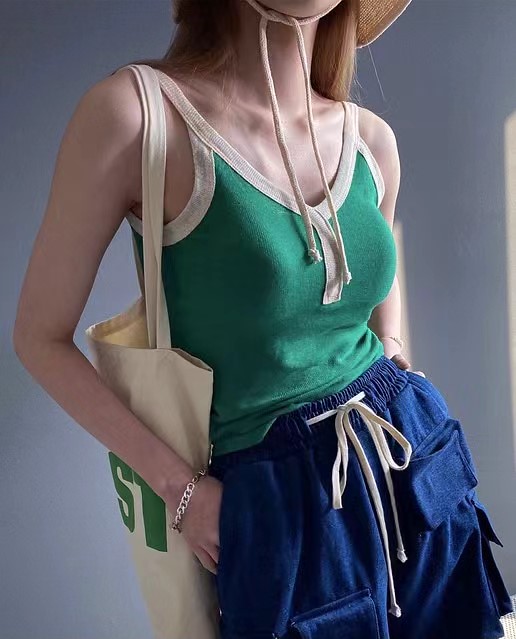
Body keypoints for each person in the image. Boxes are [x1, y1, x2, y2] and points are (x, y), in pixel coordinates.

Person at [13, 0, 513, 637]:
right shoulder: (139, 116)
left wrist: (391, 350)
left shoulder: (370, 140)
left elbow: (371, 279)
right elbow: (39, 338)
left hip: (412, 458)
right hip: (279, 498)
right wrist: (180, 489)